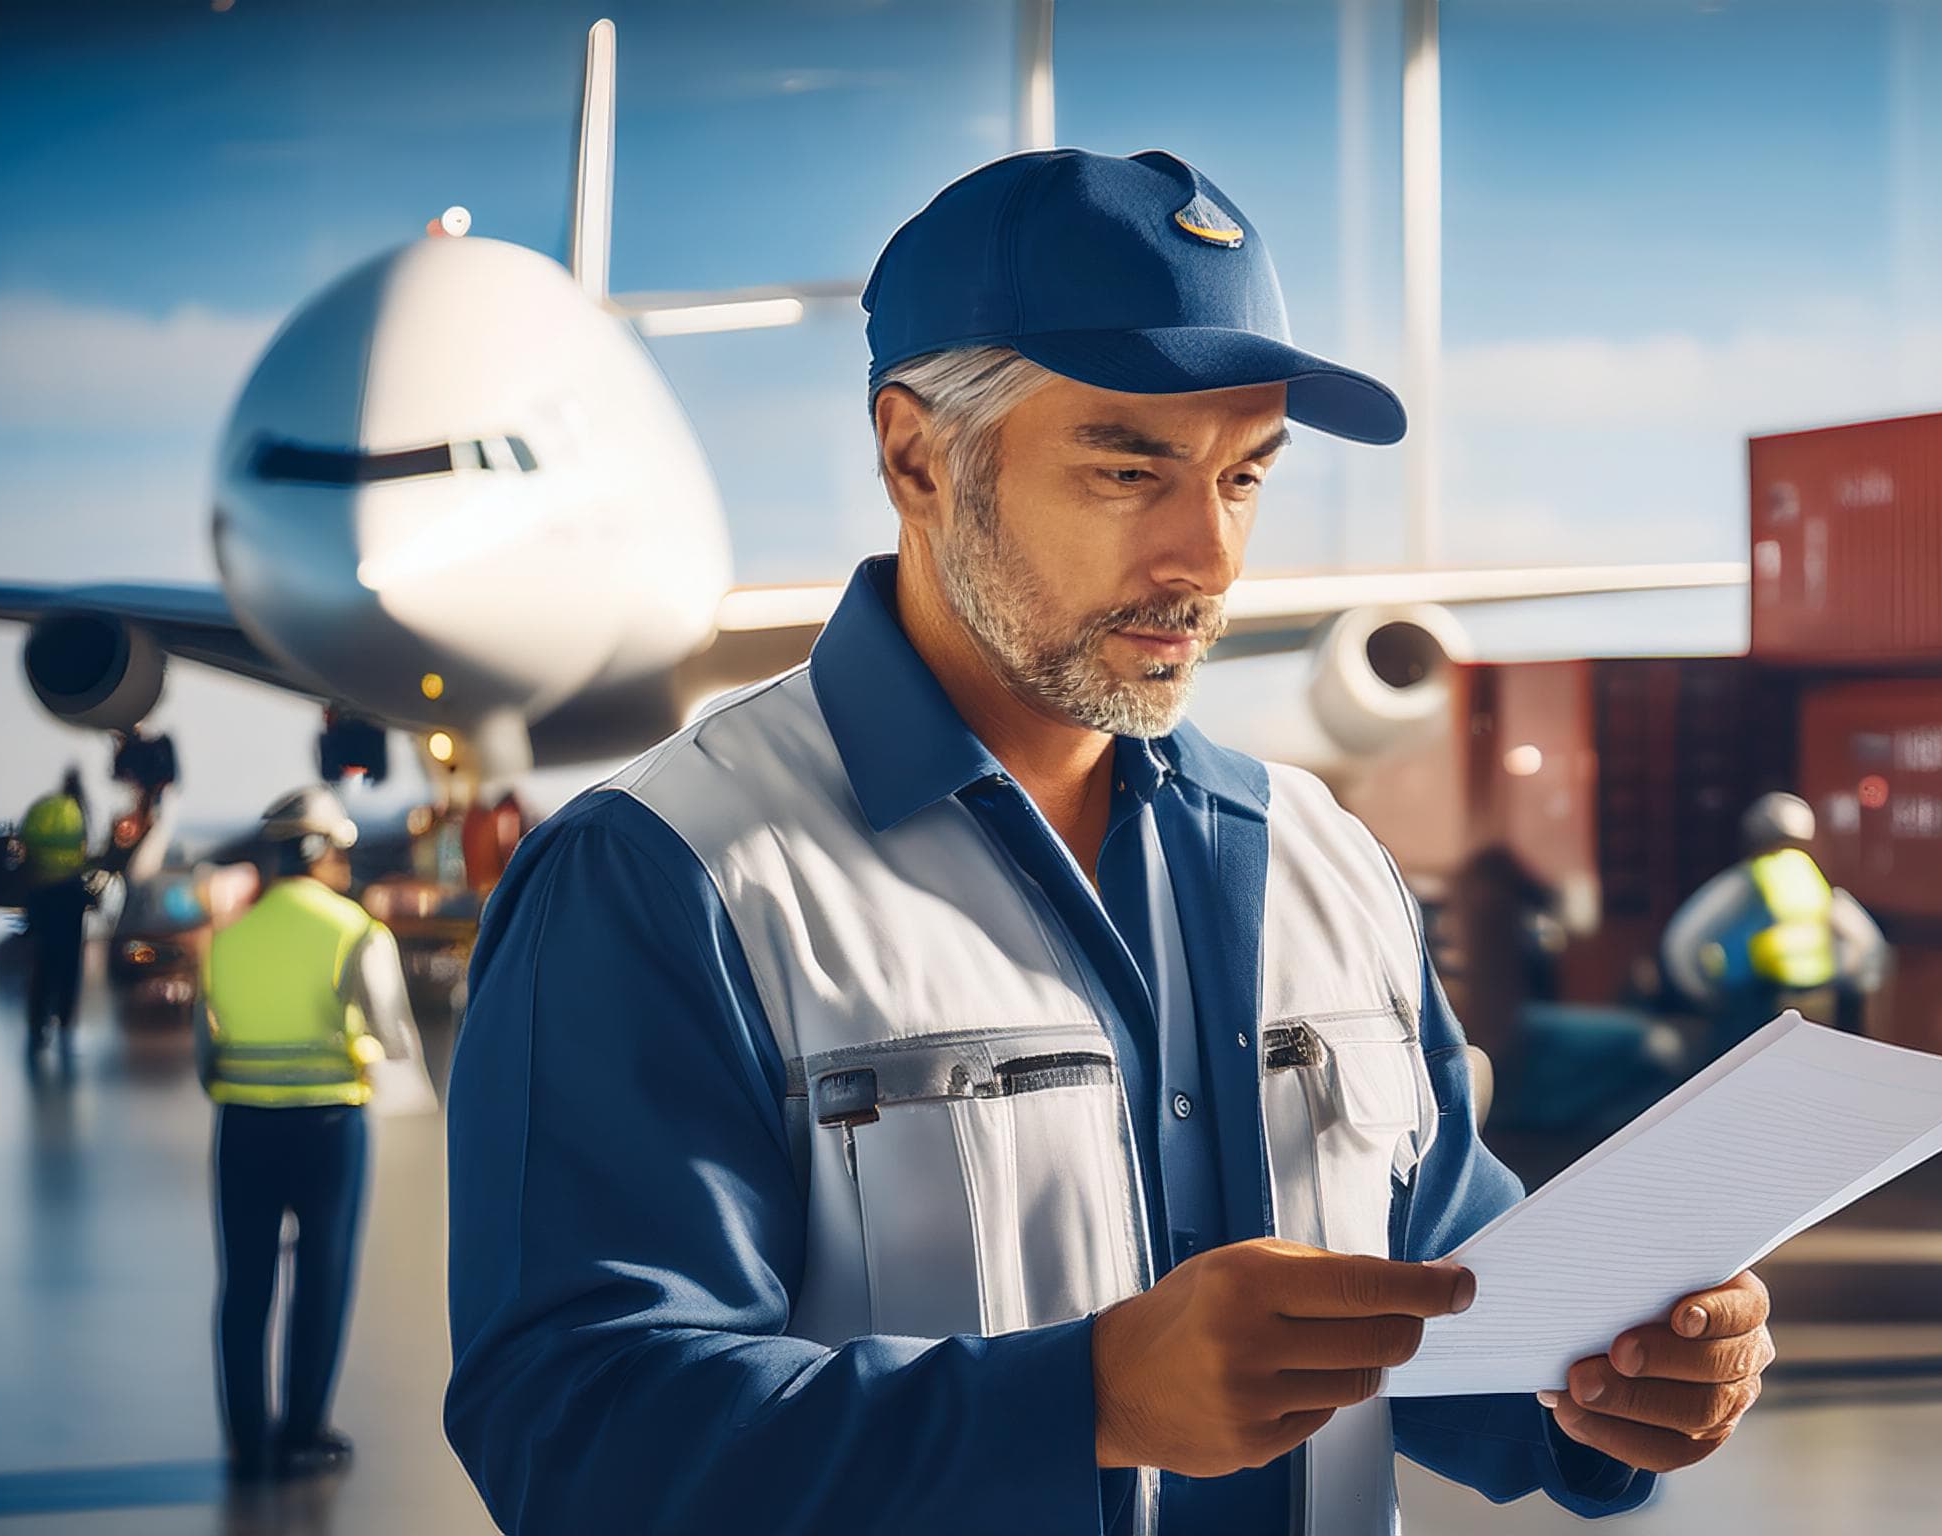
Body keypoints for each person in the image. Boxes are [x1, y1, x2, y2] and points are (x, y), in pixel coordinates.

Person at [444, 149, 1776, 1535]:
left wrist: (1608, 1376)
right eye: (1130, 469)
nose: (1204, 555)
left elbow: (1435, 1277)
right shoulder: (671, 876)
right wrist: (1080, 1403)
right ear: (916, 458)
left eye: (1245, 476)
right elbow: (577, 1430)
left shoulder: (1325, 858)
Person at [200, 785, 415, 1482]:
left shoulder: (230, 938)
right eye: (342, 851)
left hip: (242, 1126)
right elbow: (393, 1037)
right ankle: (303, 1433)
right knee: (322, 1276)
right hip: (328, 1127)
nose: (347, 865)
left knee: (245, 1284)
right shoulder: (355, 932)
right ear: (319, 850)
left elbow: (208, 1060)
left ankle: (246, 1438)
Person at [1658, 791, 1889, 1054]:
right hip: (1820, 1007)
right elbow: (1869, 949)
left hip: (1752, 1009)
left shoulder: (1740, 883)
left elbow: (1681, 946)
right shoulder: (1818, 885)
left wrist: (1708, 998)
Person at [18, 765, 94, 1059]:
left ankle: (38, 1023)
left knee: (43, 962)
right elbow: (83, 853)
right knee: (68, 964)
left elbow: (26, 844)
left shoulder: (45, 809)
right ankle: (64, 1020)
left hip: (42, 894)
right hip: (69, 896)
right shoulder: (76, 813)